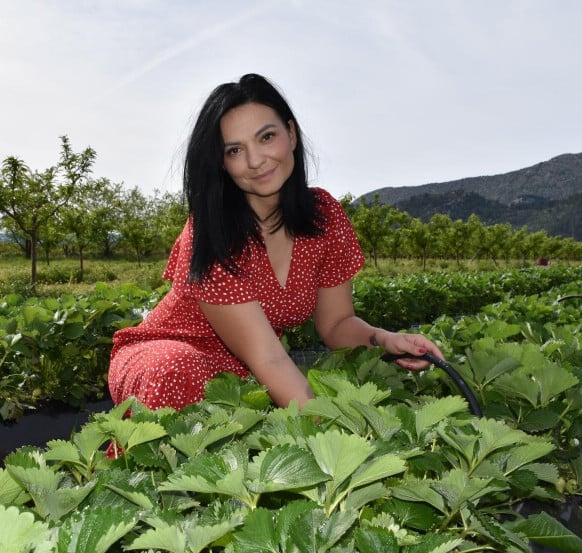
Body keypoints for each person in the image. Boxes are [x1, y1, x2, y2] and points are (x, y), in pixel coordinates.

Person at [108, 73, 444, 411]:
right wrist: (332, 436)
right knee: (180, 367)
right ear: (222, 164)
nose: (255, 161)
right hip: (167, 359)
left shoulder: (324, 216)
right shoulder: (211, 230)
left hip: (244, 371)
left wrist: (385, 340)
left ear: (292, 134)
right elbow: (269, 358)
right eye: (235, 150)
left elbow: (337, 325)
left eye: (267, 137)